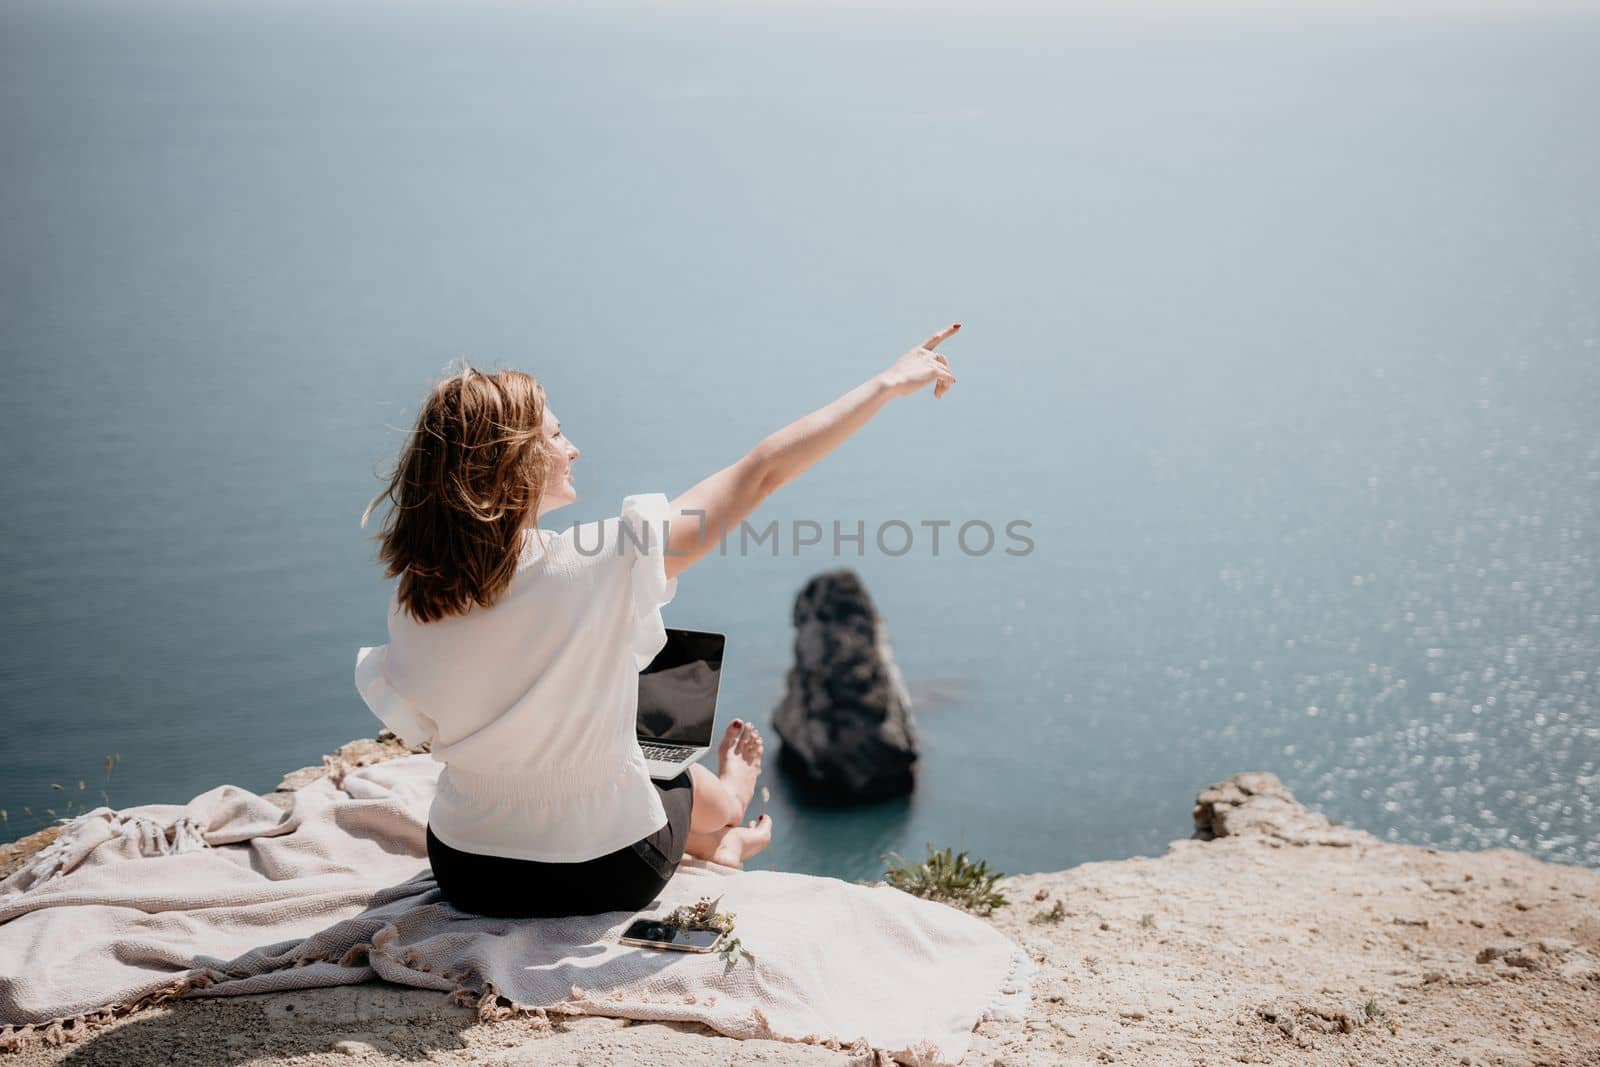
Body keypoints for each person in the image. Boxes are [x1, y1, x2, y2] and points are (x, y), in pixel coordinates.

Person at [354, 323, 963, 918]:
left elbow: (427, 724)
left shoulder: (415, 597)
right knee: (662, 772)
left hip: (469, 871)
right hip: (601, 874)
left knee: (614, 747)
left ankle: (719, 841)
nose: (573, 449)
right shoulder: (599, 561)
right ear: (512, 463)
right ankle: (731, 811)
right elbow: (762, 471)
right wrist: (885, 383)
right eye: (557, 435)